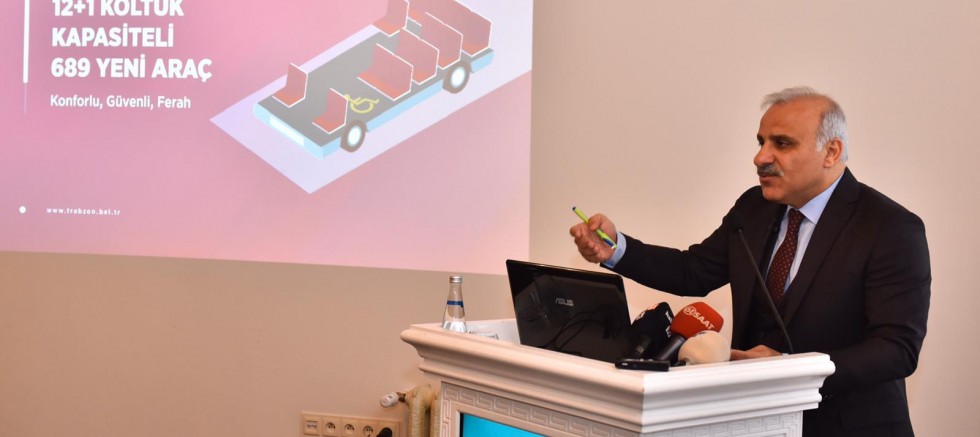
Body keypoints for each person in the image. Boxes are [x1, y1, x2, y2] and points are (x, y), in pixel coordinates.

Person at [569, 87, 930, 437]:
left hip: (847, 426)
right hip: (756, 422)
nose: (761, 158)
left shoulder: (888, 227)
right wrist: (616, 249)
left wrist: (791, 371)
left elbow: (896, 349)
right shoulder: (754, 207)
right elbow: (693, 271)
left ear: (831, 152)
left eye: (782, 144)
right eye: (761, 142)